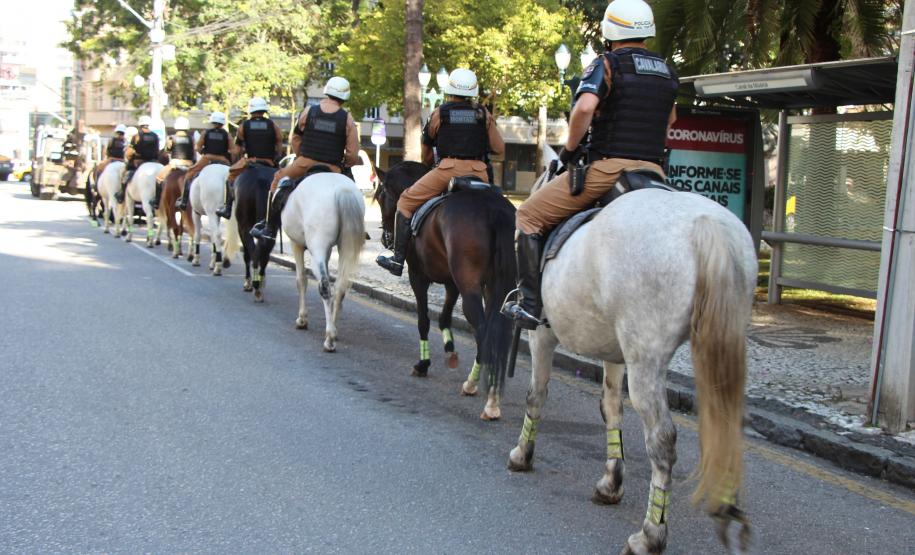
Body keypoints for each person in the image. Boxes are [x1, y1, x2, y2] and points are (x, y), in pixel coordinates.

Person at [501, 0, 679, 330]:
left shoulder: (607, 64)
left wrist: (568, 151)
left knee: (527, 215)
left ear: (610, 32)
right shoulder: (666, 70)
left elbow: (583, 109)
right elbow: (670, 120)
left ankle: (528, 303)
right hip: (654, 172)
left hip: (609, 168)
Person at [375, 68, 505, 276]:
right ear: (474, 92)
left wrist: (429, 164)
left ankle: (398, 259)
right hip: (479, 173)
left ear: (449, 90)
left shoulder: (440, 113)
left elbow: (426, 150)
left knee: (406, 202)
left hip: (447, 171)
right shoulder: (483, 113)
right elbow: (499, 149)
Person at [250, 77, 360, 240]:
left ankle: (269, 227)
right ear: (345, 96)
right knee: (352, 191)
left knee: (278, 179)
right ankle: (357, 228)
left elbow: (295, 138)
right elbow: (352, 153)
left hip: (305, 162)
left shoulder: (309, 111)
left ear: (327, 91)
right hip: (333, 167)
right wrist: (345, 164)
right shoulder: (347, 119)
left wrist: (302, 155)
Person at [214, 97, 284, 218]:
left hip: (250, 162)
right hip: (268, 163)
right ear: (264, 110)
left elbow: (238, 149)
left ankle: (227, 207)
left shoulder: (244, 126)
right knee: (284, 183)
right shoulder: (273, 125)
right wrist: (276, 157)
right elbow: (279, 144)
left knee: (230, 177)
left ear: (251, 110)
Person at [176, 112, 232, 211]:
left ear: (212, 122)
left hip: (207, 159)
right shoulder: (227, 135)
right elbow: (233, 150)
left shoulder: (205, 133)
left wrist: (203, 151)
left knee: (189, 173)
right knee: (233, 176)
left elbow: (198, 147)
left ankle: (184, 200)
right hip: (223, 160)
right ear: (222, 123)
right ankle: (229, 204)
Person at [152, 116, 194, 209]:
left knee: (159, 178)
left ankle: (157, 201)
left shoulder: (171, 138)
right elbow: (193, 151)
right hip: (189, 164)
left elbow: (167, 151)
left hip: (174, 163)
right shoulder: (191, 139)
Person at [116, 115, 160, 203]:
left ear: (140, 125)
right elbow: (157, 150)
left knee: (126, 173)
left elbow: (131, 151)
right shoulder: (155, 136)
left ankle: (121, 193)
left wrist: (129, 158)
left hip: (139, 162)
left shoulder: (136, 136)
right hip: (154, 161)